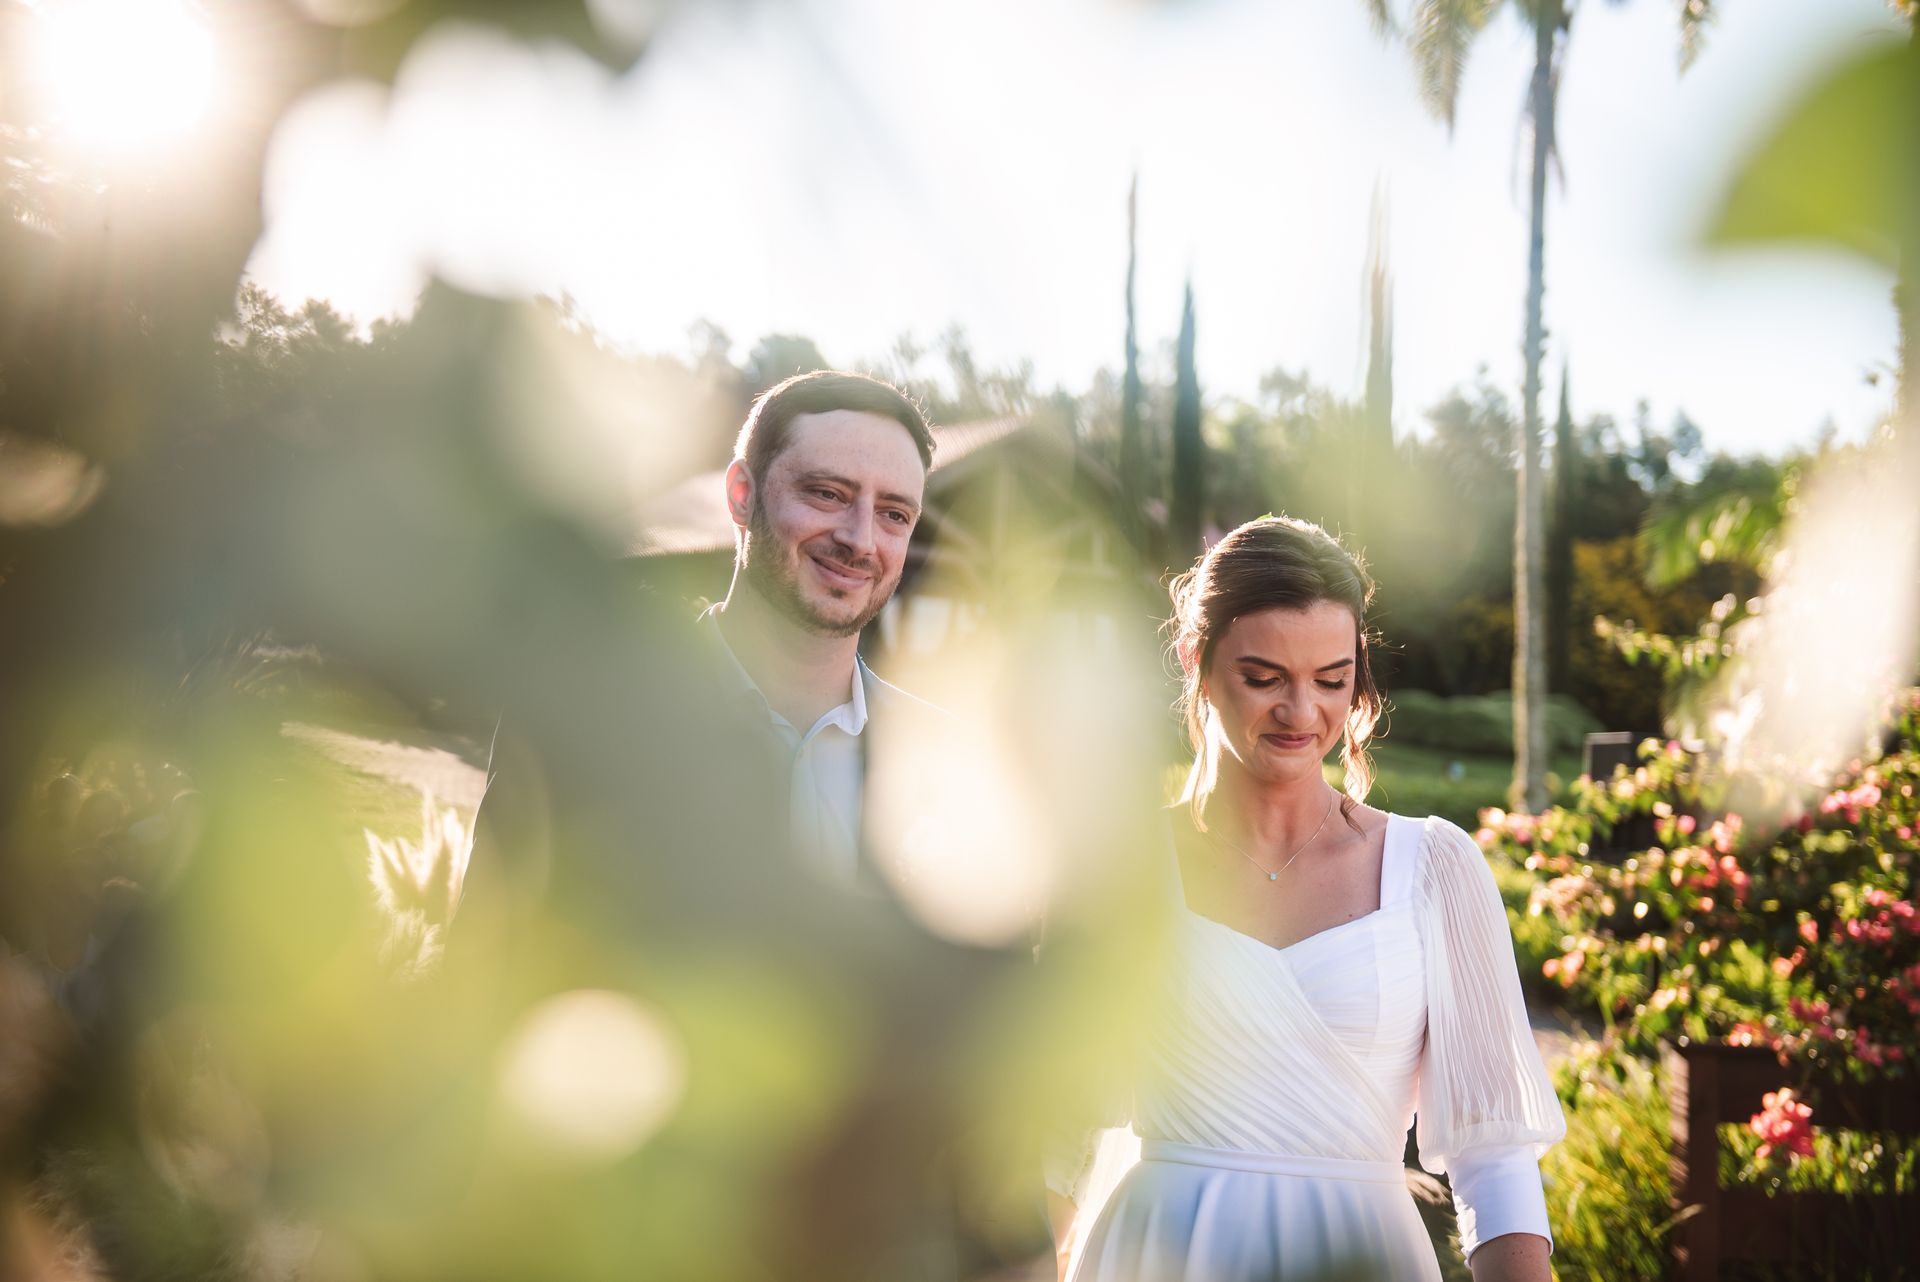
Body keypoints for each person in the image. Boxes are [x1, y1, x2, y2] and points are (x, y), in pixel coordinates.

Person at [1045, 516, 1565, 1282]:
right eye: (1264, 678)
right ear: (1197, 660)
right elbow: (1057, 1139)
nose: (1302, 713)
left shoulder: (1434, 868)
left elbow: (1496, 1162)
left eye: (1331, 680)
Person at [697, 367, 945, 888]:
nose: (861, 540)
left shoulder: (952, 768)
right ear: (743, 493)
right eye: (828, 494)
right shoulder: (590, 713)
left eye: (894, 515)